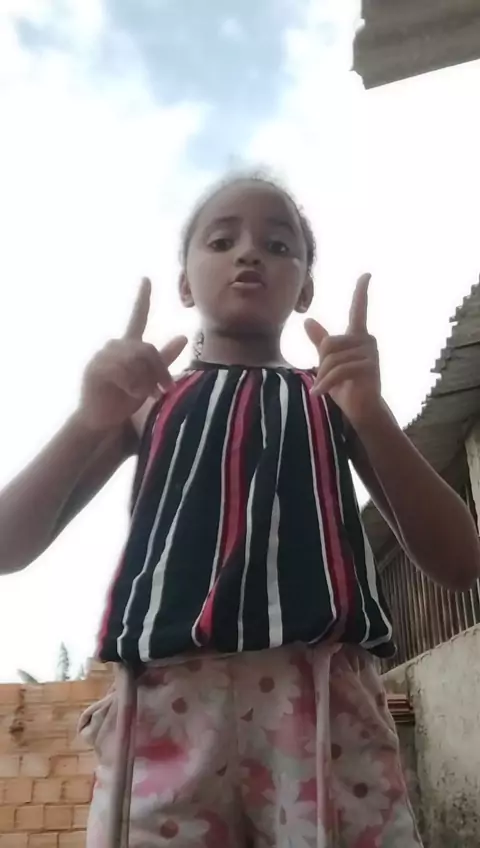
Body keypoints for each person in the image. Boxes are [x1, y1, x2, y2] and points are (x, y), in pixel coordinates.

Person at [1, 174, 479, 848]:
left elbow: (461, 562)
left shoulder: (336, 400)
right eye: (222, 240)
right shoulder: (145, 403)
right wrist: (87, 420)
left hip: (323, 701)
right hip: (167, 700)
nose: (249, 252)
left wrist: (372, 413)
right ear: (185, 284)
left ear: (305, 289)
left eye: (278, 245)